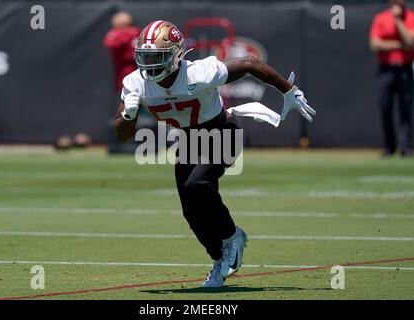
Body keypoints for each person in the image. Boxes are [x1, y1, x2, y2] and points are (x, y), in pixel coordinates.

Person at [113, 20, 315, 287]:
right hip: (188, 141)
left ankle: (232, 236)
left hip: (222, 132)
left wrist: (289, 91)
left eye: (156, 57)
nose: (149, 64)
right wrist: (128, 114)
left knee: (198, 184)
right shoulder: (136, 83)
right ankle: (219, 259)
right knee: (190, 210)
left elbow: (249, 65)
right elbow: (122, 134)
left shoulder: (201, 72)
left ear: (175, 55)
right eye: (145, 56)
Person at [370, 0, 414, 157]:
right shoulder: (381, 18)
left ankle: (405, 147)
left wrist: (398, 20)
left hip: (405, 69)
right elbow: (375, 44)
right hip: (386, 70)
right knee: (385, 108)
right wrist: (399, 45)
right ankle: (389, 147)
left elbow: (411, 41)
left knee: (405, 109)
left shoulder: (410, 17)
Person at [104, 11, 141, 92]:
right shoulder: (137, 32)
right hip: (134, 73)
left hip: (128, 73)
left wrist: (120, 31)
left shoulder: (122, 34)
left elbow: (109, 42)